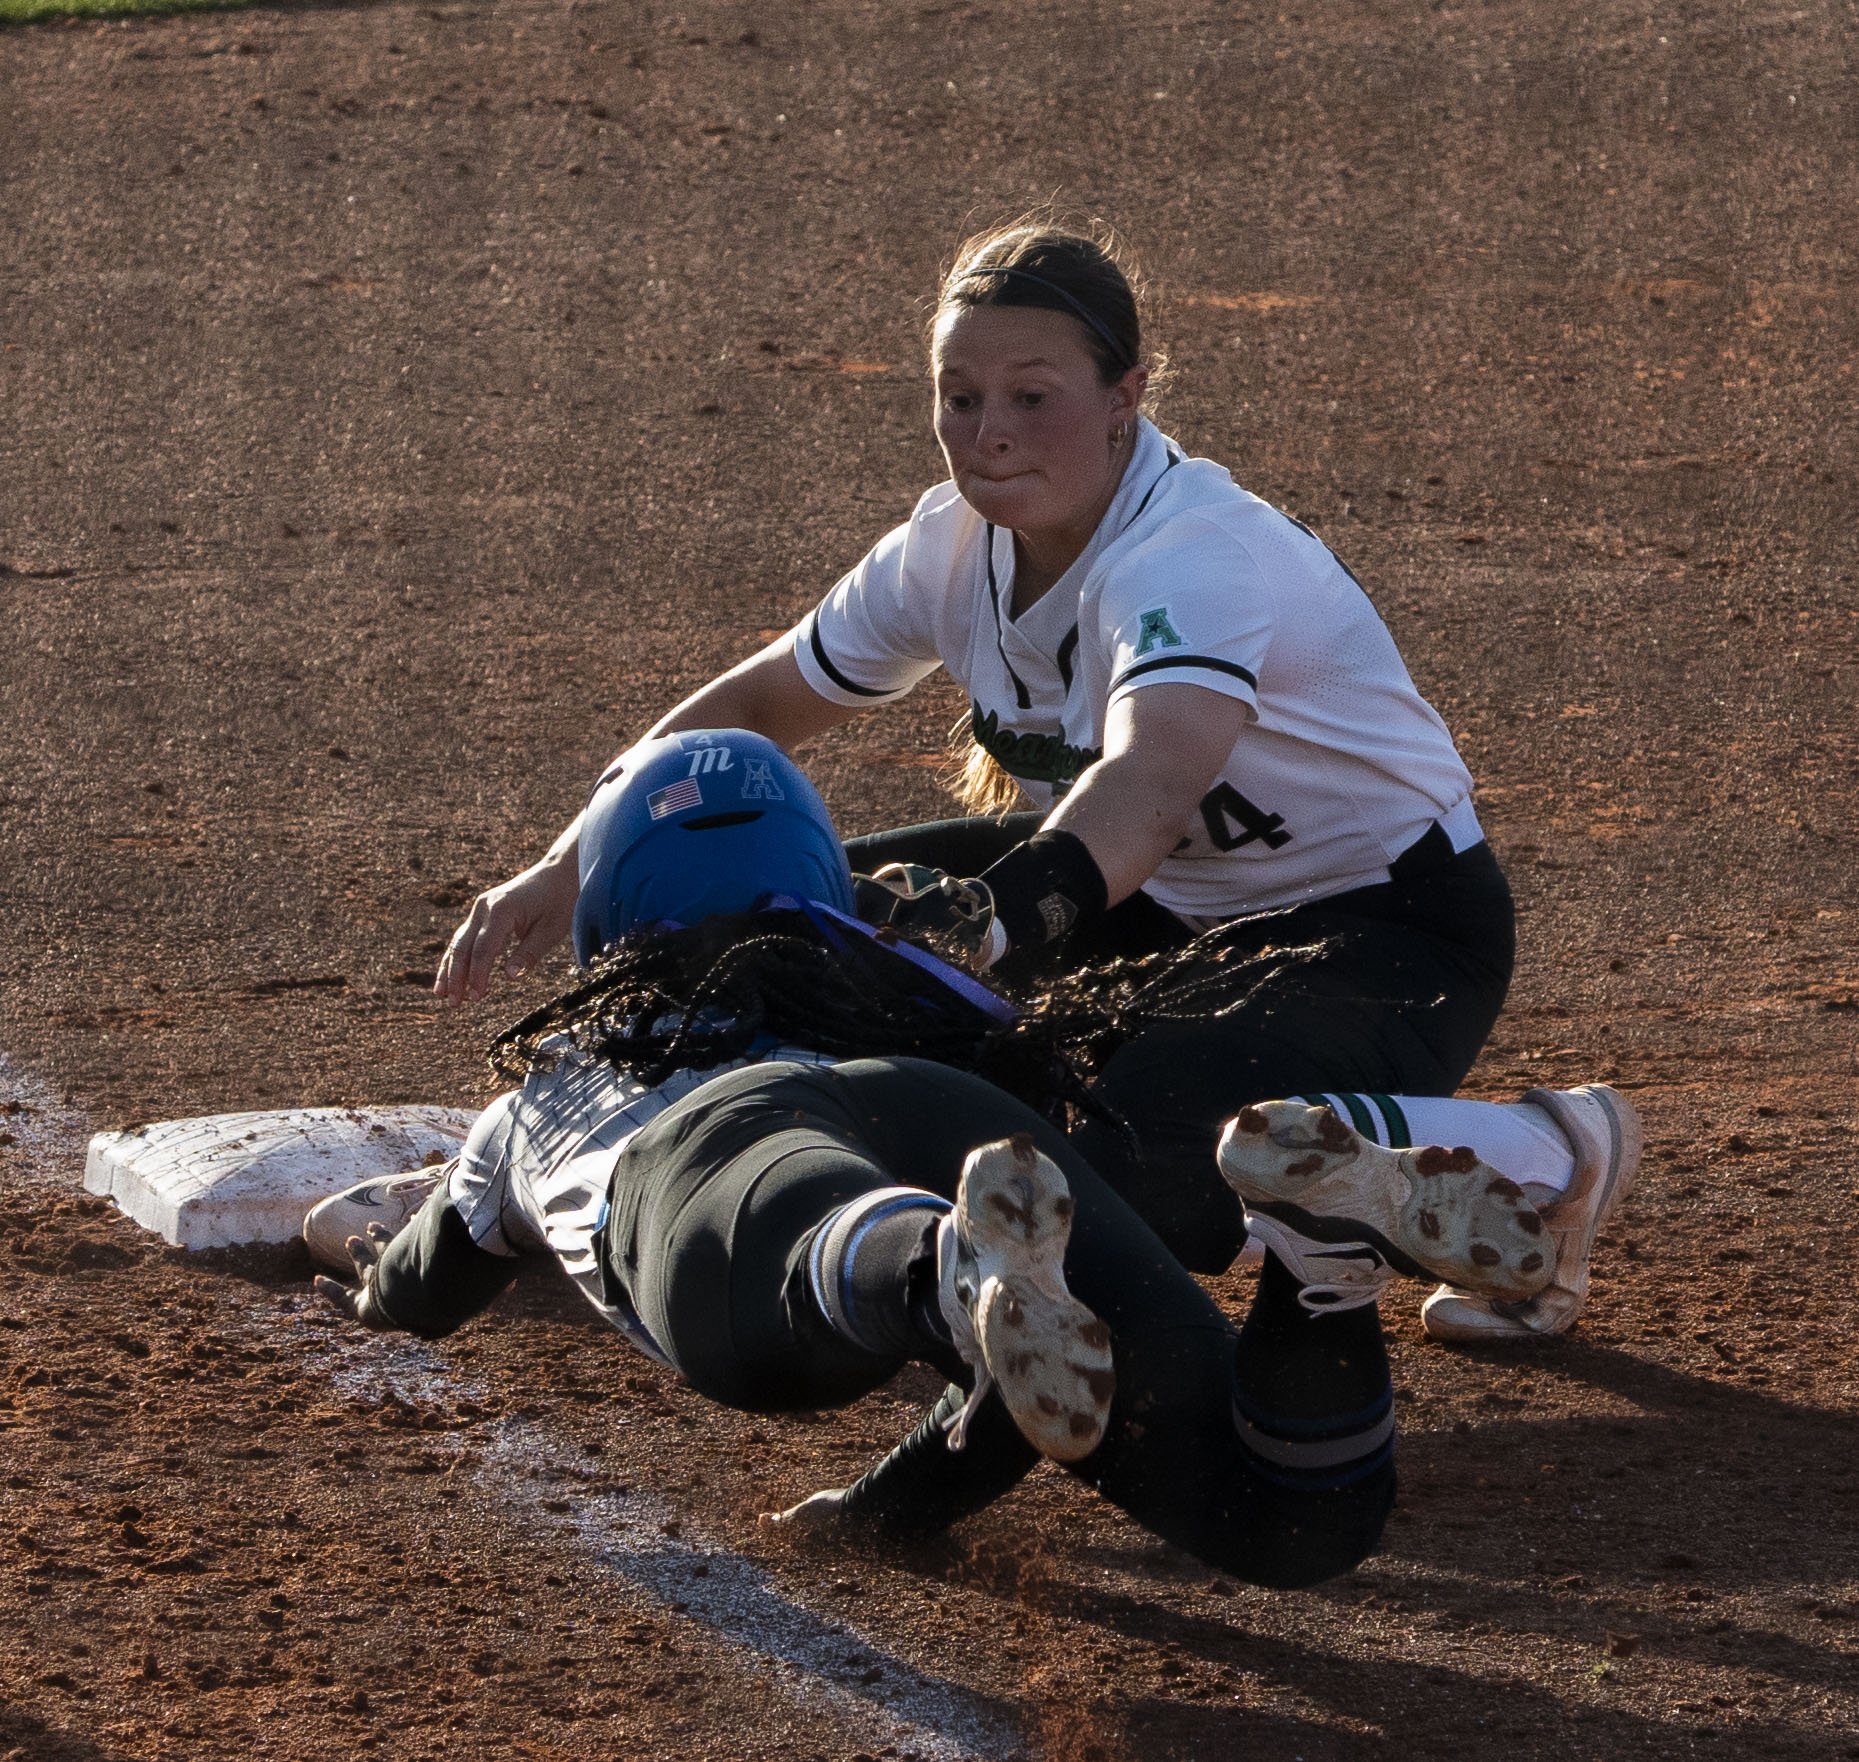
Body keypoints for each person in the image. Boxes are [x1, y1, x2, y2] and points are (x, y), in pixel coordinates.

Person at [430, 218, 1635, 1342]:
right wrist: (568, 860)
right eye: (959, 398)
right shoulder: (946, 549)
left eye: (1030, 397)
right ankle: (621, 1166)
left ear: (1125, 400)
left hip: (1385, 941)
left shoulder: (1190, 555)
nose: (988, 430)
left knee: (1113, 1196)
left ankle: (1537, 1154)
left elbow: (1151, 784)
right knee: (767, 931)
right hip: (1168, 915)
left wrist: (992, 921)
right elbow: (746, 715)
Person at [319, 729, 1569, 1583]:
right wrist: (885, 1512)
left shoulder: (554, 1086)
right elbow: (1035, 1387)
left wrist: (365, 1263)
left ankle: (927, 1267)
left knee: (757, 1292)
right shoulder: (922, 999)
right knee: (1284, 1520)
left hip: (751, 1157)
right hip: (956, 1114)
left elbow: (420, 1290)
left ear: (610, 913)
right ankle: (1321, 1267)